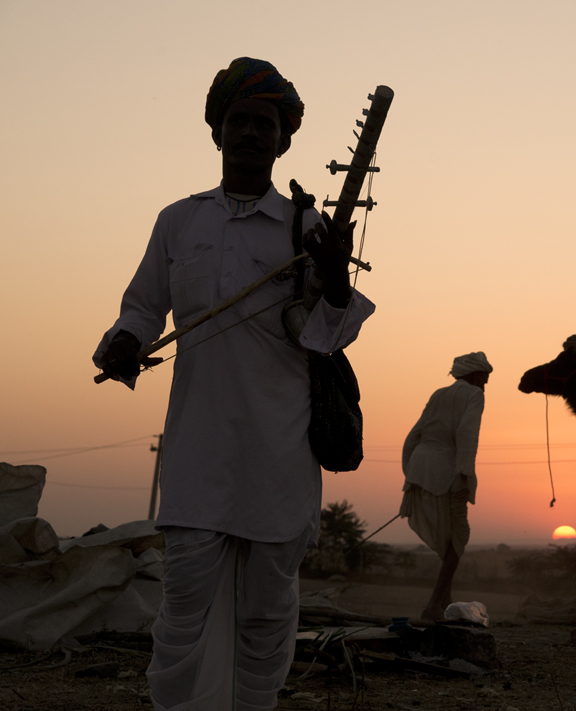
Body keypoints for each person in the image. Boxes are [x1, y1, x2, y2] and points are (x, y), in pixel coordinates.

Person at [93, 57, 375, 710]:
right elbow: (141, 306)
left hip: (280, 454)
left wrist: (334, 276)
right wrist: (126, 342)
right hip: (196, 450)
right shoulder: (178, 221)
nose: (251, 133)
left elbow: (331, 332)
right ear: (218, 131)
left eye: (265, 123)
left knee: (268, 614)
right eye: (239, 120)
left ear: (284, 139)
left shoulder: (307, 227)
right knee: (184, 606)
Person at [400, 352, 492, 620]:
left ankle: (445, 602)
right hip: (449, 471)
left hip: (421, 468)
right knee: (459, 538)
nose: (484, 385)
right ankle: (432, 606)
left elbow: (414, 434)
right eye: (484, 379)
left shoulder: (438, 393)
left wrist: (412, 472)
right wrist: (464, 473)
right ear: (475, 375)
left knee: (449, 536)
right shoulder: (475, 395)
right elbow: (467, 432)